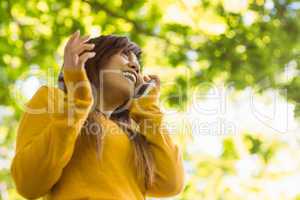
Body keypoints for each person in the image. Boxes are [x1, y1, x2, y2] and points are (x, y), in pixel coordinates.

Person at [10, 30, 185, 200]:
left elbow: (171, 184)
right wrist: (78, 102)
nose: (135, 66)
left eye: (137, 65)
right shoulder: (54, 100)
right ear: (93, 58)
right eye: (124, 55)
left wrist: (148, 109)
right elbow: (29, 183)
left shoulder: (134, 138)